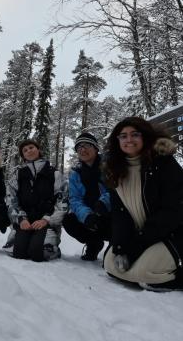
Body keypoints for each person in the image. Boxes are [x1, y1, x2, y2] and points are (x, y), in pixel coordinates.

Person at [103, 117, 183, 291]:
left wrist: (133, 248)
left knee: (146, 273)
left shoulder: (163, 163)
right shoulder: (116, 169)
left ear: (145, 137)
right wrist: (119, 246)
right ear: (117, 141)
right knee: (110, 264)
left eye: (135, 134)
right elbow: (120, 213)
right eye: (123, 136)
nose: (129, 140)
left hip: (171, 232)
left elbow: (172, 212)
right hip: (140, 233)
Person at [7, 139, 68, 262]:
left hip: (46, 221)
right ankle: (20, 237)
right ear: (23, 155)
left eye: (31, 147)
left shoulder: (54, 173)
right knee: (17, 252)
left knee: (39, 253)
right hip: (25, 221)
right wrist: (20, 219)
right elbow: (10, 199)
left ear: (38, 149)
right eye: (25, 150)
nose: (29, 151)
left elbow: (63, 201)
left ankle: (51, 244)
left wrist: (47, 219)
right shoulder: (18, 174)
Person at [63, 133, 111, 261]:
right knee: (69, 220)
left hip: (110, 212)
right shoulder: (75, 172)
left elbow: (117, 189)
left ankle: (116, 245)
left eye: (87, 145)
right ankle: (94, 243)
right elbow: (75, 199)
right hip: (91, 216)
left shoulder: (108, 165)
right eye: (79, 147)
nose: (82, 150)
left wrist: (103, 204)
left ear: (96, 148)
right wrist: (86, 215)